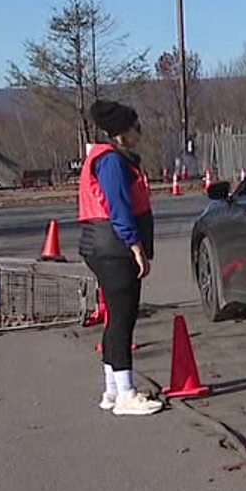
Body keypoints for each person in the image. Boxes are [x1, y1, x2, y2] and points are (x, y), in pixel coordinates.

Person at [77, 99, 163, 416]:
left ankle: (112, 389)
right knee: (123, 320)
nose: (140, 131)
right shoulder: (112, 162)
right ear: (122, 133)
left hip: (99, 245)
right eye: (136, 126)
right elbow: (119, 207)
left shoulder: (103, 157)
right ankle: (126, 392)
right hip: (113, 248)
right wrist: (136, 246)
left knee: (115, 318)